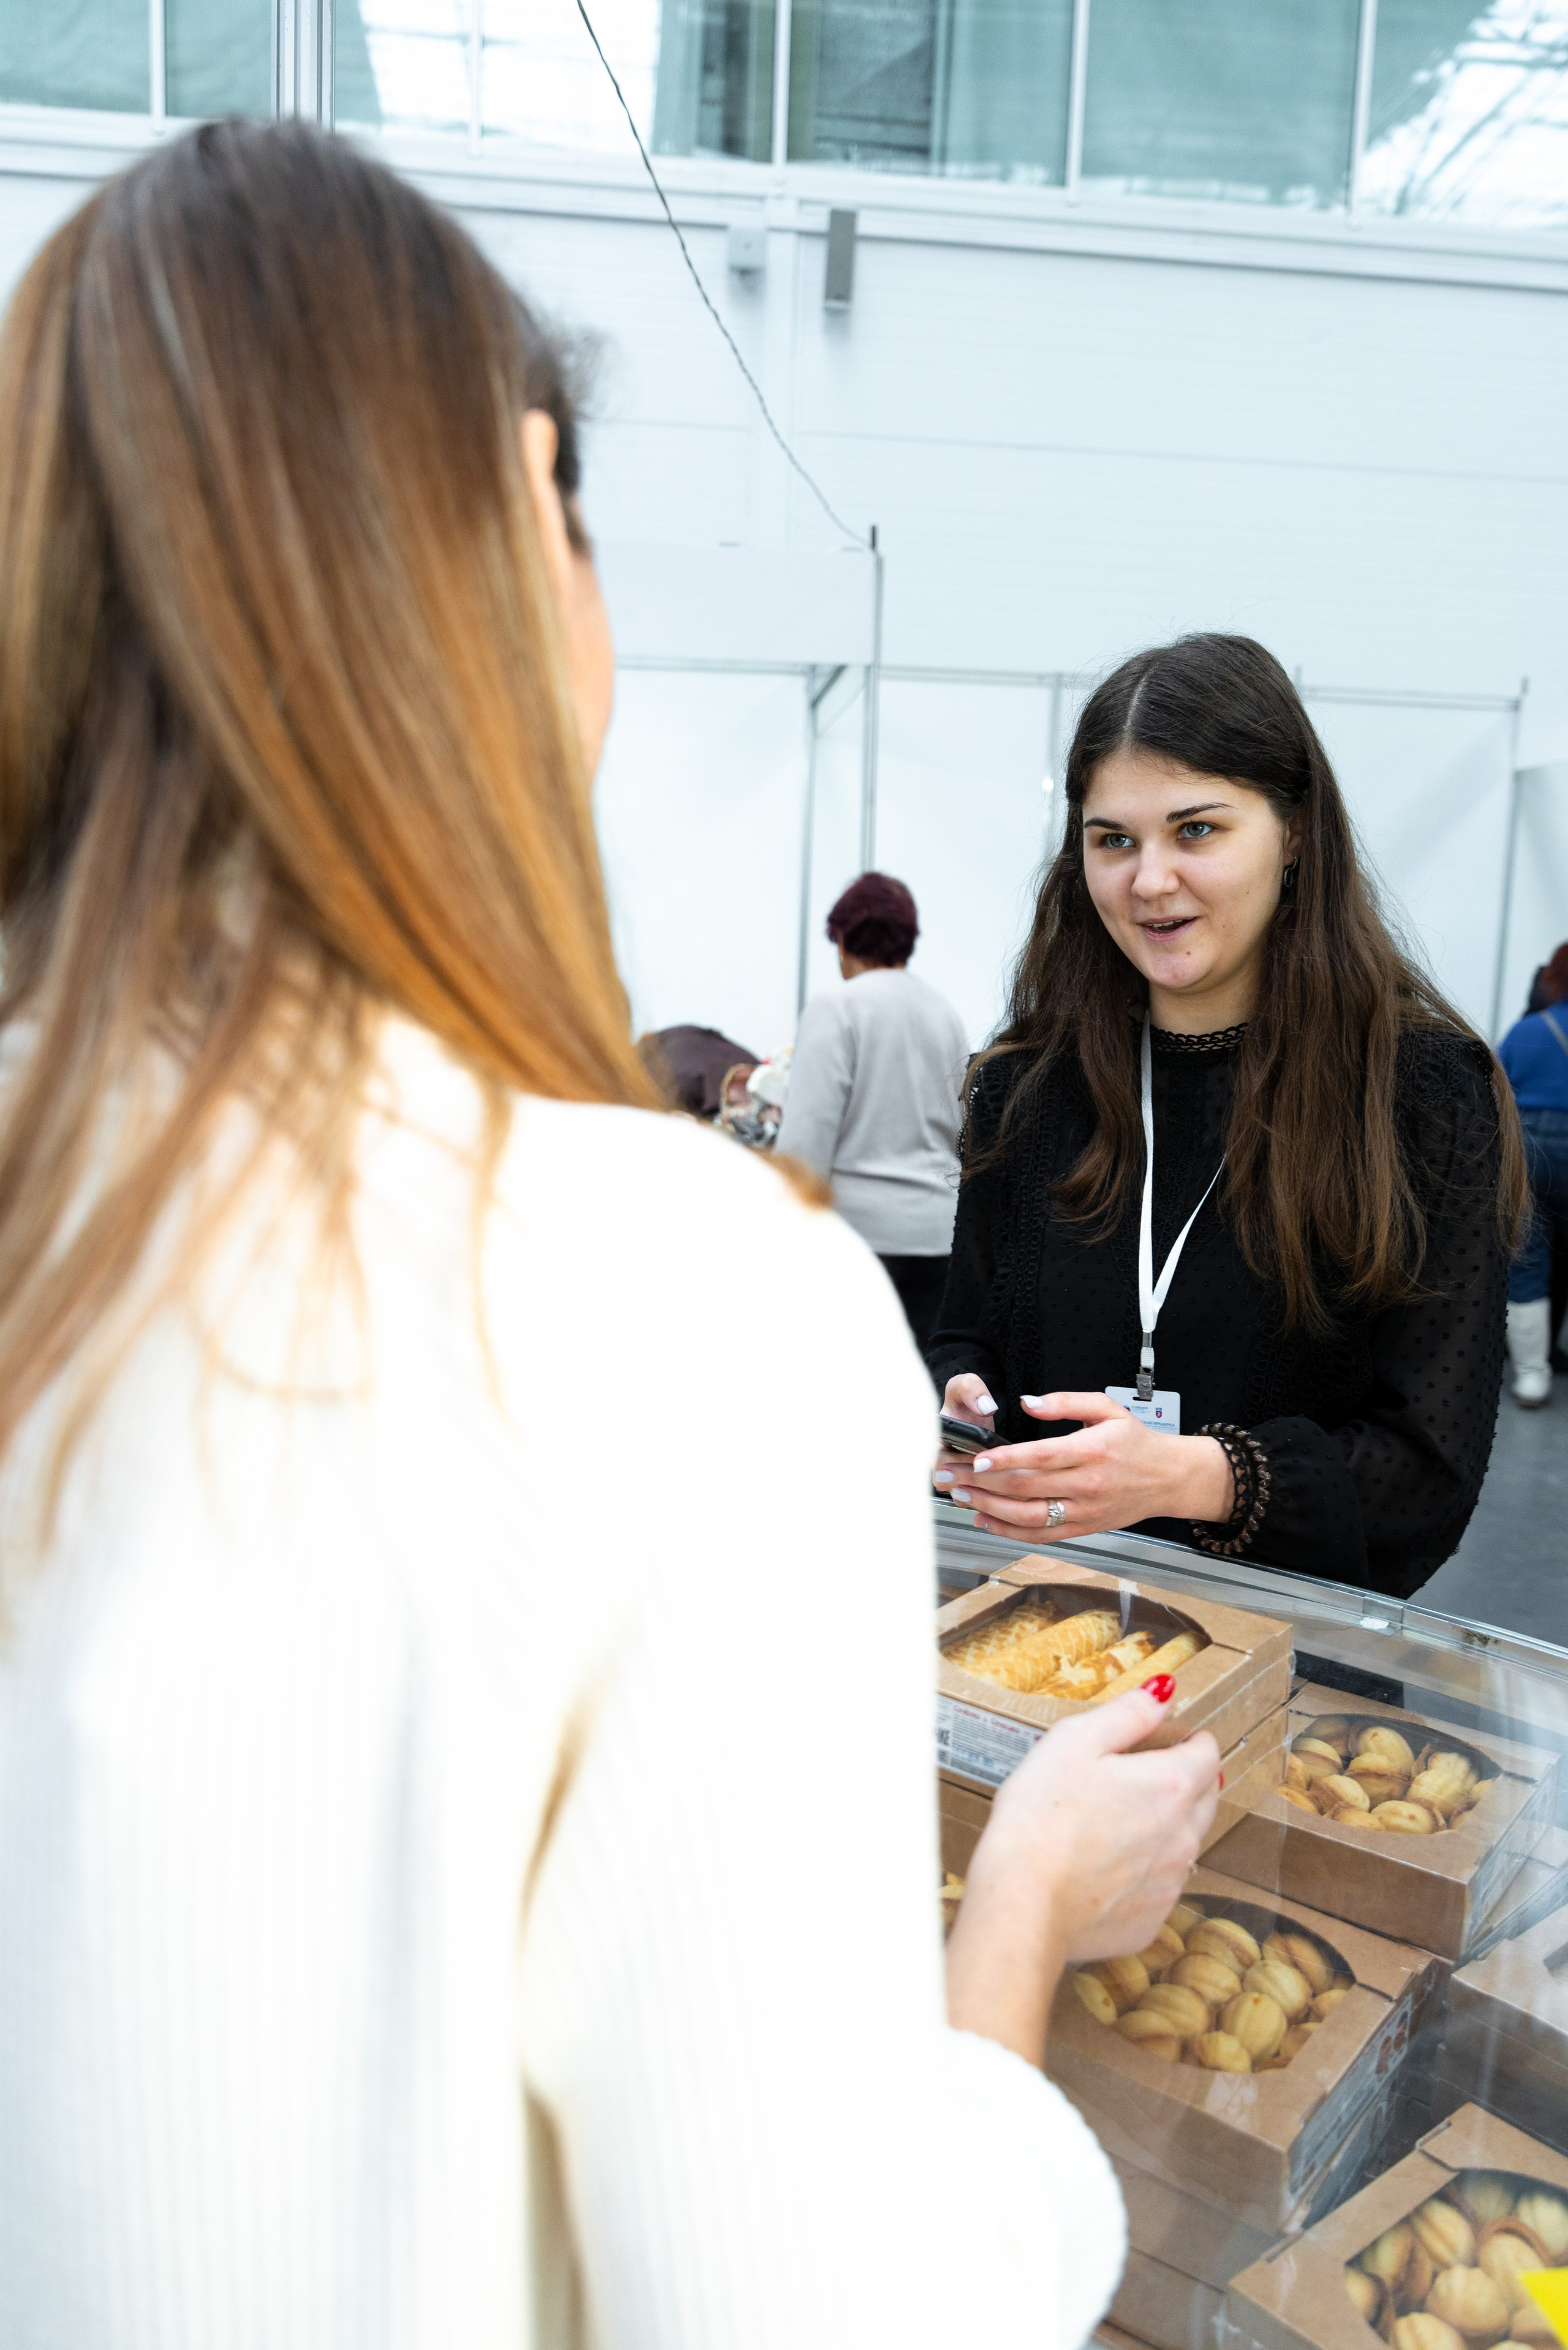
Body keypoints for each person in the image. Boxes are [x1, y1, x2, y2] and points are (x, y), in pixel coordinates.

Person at [0, 124, 1221, 2349]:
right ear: (499, 538)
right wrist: (1019, 1910)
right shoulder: (661, 1302)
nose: (1151, 878)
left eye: (1190, 833)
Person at [929, 635, 1525, 1601]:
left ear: (1294, 832)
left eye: (1196, 830)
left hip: (1287, 1671)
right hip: (1043, 1634)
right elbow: (968, 1337)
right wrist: (965, 1408)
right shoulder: (1027, 1086)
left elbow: (1427, 1473)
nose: (1149, 880)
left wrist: (1198, 1477)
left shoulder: (1419, 1095)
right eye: (1112, 839)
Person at [775, 873, 968, 1352]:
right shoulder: (944, 1013)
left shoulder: (837, 1007)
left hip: (858, 1239)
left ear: (842, 940)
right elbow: (963, 1129)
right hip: (938, 1238)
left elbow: (807, 1139)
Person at [1497, 941, 1568, 1406]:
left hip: (1531, 1149)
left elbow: (1495, 1096)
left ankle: (1531, 1377)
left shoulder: (1528, 1030)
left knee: (1527, 1259)